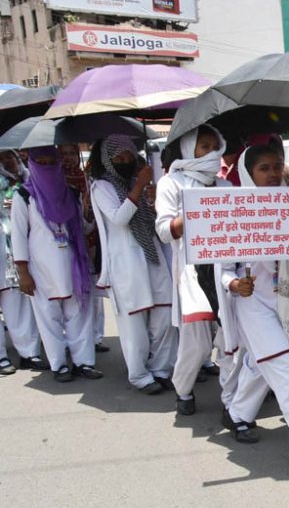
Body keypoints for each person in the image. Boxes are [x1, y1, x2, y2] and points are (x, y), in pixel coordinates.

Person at [221, 144, 289, 476]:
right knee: (285, 372)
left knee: (265, 367)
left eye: (277, 166)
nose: (272, 174)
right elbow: (224, 268)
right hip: (253, 303)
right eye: (264, 168)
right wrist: (235, 285)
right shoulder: (235, 210)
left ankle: (238, 413)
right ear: (249, 173)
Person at [90, 135, 177, 395]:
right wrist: (139, 186)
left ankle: (161, 369)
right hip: (125, 262)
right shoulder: (101, 187)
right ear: (107, 160)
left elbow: (153, 220)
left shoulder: (138, 183)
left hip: (153, 256)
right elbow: (119, 218)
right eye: (119, 157)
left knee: (164, 314)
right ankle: (139, 375)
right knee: (134, 324)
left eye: (129, 156)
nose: (126, 161)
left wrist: (152, 199)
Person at [154, 125, 229, 415]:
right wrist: (193, 213)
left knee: (229, 337)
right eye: (203, 146)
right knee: (196, 343)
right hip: (193, 272)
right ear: (189, 149)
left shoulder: (224, 186)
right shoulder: (171, 183)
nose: (210, 152)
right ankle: (183, 390)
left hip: (224, 270)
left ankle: (233, 398)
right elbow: (163, 230)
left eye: (214, 146)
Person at [10, 147, 101, 382]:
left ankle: (84, 363)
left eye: (51, 161)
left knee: (79, 313)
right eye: (41, 162)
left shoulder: (71, 193)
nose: (47, 166)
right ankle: (59, 365)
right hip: (42, 268)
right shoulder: (24, 196)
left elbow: (83, 228)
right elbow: (19, 235)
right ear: (31, 164)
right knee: (49, 316)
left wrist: (90, 211)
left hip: (73, 265)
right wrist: (23, 273)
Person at [59, 142, 108, 354]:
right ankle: (71, 339)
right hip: (67, 241)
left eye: (72, 153)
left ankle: (95, 337)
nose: (69, 158)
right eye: (64, 154)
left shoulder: (86, 179)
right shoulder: (54, 183)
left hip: (91, 239)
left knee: (94, 291)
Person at [0, 149, 44, 375]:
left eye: (12, 156)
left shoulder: (29, 181)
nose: (9, 161)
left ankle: (29, 353)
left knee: (16, 302)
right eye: (3, 157)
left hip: (15, 249)